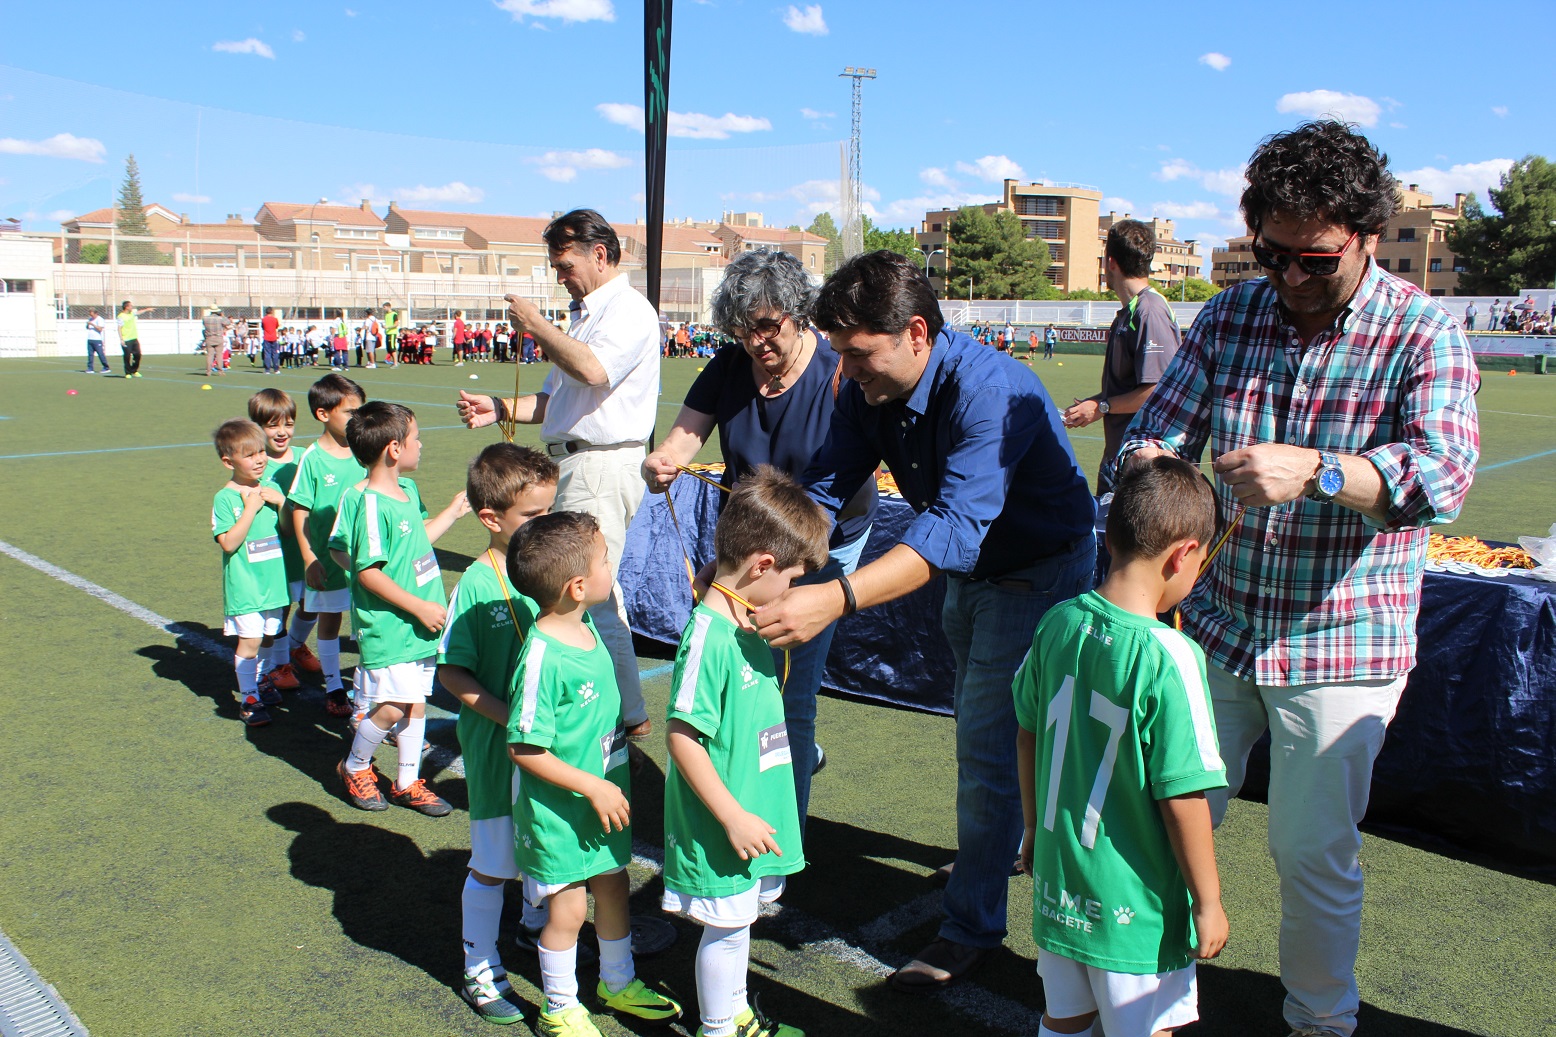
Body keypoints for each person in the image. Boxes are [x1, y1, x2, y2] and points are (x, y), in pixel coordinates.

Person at [1118, 120, 1480, 1037]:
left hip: (1343, 643)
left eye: (1313, 260)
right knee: (1169, 813)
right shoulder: (1233, 313)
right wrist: (1162, 471)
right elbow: (1152, 432)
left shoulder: (1422, 330)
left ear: (1363, 232)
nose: (1288, 278)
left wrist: (1318, 468)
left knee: (1311, 851)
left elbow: (1442, 475)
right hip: (1221, 627)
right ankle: (1150, 1003)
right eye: (1270, 255)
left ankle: (1321, 1022)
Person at [753, 250, 1097, 990]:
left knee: (987, 751)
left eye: (858, 352)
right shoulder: (867, 390)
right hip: (977, 574)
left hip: (1036, 573)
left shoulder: (990, 392)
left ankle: (970, 925)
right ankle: (1000, 847)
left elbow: (948, 530)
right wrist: (759, 562)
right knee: (990, 738)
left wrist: (833, 596)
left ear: (915, 331)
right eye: (840, 351)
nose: (846, 369)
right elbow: (822, 488)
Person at [642, 248, 877, 829]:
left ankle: (782, 834)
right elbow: (685, 436)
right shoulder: (727, 366)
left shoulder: (837, 373)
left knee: (789, 692)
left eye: (768, 327)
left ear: (800, 314)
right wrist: (665, 460)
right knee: (746, 674)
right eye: (744, 330)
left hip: (821, 541)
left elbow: (851, 476)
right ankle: (764, 775)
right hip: (749, 543)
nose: (756, 342)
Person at [1014, 457, 1228, 1037]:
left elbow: (1028, 732)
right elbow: (1183, 794)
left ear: (1108, 536)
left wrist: (1032, 829)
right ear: (1183, 555)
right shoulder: (1171, 656)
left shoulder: (1057, 622)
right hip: (1136, 906)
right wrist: (1208, 900)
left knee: (1065, 1021)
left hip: (1062, 885)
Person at [456, 209, 661, 741]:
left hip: (599, 463)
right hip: (577, 462)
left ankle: (622, 715)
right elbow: (556, 399)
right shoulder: (586, 315)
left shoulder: (629, 310)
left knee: (589, 592)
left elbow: (593, 371)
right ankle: (621, 711)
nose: (559, 275)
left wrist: (537, 326)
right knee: (578, 589)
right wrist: (498, 406)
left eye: (565, 264)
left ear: (600, 254)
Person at [662, 467, 828, 1037]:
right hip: (724, 822)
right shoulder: (708, 637)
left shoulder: (749, 624)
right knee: (726, 928)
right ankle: (717, 1028)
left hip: (757, 809)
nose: (793, 593)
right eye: (792, 579)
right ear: (761, 566)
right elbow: (682, 735)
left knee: (741, 923)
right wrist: (732, 815)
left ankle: (735, 1015)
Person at [505, 511, 683, 1037]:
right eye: (606, 559)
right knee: (568, 910)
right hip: (562, 814)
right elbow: (524, 747)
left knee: (612, 887)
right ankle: (558, 1006)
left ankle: (617, 982)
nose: (613, 565)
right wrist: (592, 785)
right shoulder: (541, 655)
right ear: (577, 585)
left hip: (603, 805)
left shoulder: (586, 629)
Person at [437, 443, 560, 1025]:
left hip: (549, 746)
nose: (546, 527)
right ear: (491, 520)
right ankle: (479, 967)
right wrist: (505, 713)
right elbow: (451, 672)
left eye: (550, 513)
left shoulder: (550, 572)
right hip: (497, 747)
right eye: (533, 518)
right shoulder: (478, 586)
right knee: (492, 860)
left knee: (542, 840)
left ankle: (536, 927)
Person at [331, 401, 469, 816]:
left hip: (418, 624)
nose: (421, 445)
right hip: (394, 624)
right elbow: (367, 573)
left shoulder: (407, 492)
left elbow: (416, 543)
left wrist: (452, 512)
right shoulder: (370, 504)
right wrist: (419, 607)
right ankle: (354, 765)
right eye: (416, 438)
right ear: (394, 449)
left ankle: (407, 781)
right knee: (391, 707)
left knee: (416, 703)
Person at [1062, 220, 1184, 494]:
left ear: (1110, 263)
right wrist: (1095, 403)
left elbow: (1158, 391)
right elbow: (1132, 387)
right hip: (1120, 456)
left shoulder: (1149, 311)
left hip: (1141, 465)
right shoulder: (1131, 311)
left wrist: (1101, 407)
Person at [287, 374, 368, 718]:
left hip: (364, 556)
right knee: (331, 619)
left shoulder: (365, 451)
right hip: (328, 558)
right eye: (350, 413)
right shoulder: (314, 458)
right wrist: (308, 557)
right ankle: (334, 686)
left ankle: (369, 691)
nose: (357, 420)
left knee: (367, 620)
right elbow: (300, 508)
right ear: (323, 414)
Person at [210, 419, 291, 728]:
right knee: (251, 640)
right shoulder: (226, 498)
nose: (259, 459)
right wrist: (249, 509)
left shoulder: (269, 488)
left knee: (270, 636)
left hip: (273, 583)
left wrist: (281, 502)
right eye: (249, 455)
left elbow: (286, 529)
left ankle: (261, 681)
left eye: (261, 451)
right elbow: (229, 543)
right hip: (246, 586)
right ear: (228, 461)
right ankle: (249, 699)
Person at [249, 388, 323, 686]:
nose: (282, 432)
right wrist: (283, 504)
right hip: (278, 553)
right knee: (279, 607)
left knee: (312, 603)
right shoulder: (256, 465)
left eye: (288, 424)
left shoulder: (306, 457)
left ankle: (294, 645)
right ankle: (279, 664)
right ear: (256, 427)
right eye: (272, 425)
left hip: (309, 547)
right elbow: (280, 526)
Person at [117, 300, 151, 378]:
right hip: (126, 339)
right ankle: (128, 373)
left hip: (134, 338)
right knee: (127, 356)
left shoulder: (132, 313)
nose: (132, 307)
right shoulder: (121, 316)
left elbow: (139, 312)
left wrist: (147, 309)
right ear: (126, 307)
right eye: (130, 306)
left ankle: (134, 370)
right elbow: (119, 328)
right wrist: (121, 339)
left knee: (138, 354)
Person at [85, 307, 109, 374]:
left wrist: (93, 324)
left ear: (95, 313)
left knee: (100, 354)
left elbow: (100, 329)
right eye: (90, 314)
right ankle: (90, 368)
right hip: (90, 339)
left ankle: (106, 367)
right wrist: (87, 324)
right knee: (90, 354)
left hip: (97, 340)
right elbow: (87, 328)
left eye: (92, 314)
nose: (91, 316)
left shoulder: (100, 319)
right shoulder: (90, 319)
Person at [261, 307, 281, 375]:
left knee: (267, 354)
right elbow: (276, 326)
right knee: (275, 353)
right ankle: (276, 369)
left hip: (267, 338)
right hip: (274, 337)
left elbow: (263, 327)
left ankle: (267, 370)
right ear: (272, 312)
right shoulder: (275, 319)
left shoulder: (264, 319)